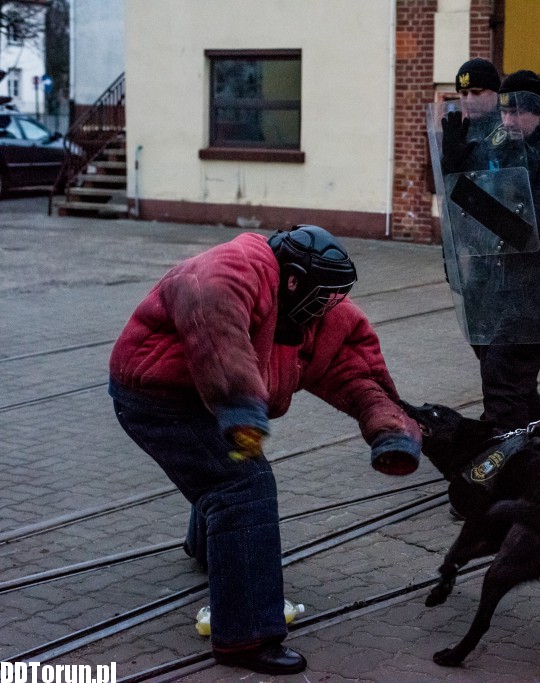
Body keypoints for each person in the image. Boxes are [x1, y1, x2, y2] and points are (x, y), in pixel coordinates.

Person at [108, 225, 423, 675]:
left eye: (335, 296)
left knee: (227, 475)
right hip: (157, 396)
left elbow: (353, 369)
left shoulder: (313, 311)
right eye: (323, 295)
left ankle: (212, 552)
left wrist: (390, 430)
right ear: (292, 278)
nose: (328, 306)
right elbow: (210, 309)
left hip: (210, 402)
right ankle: (246, 637)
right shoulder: (237, 266)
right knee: (243, 486)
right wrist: (242, 413)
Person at [439, 68, 540, 442]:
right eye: (504, 112)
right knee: (502, 371)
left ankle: (503, 458)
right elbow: (475, 216)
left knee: (502, 377)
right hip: (495, 278)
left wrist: (470, 195)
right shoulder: (500, 145)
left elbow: (536, 229)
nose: (508, 120)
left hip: (538, 284)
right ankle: (535, 440)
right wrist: (454, 170)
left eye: (518, 112)